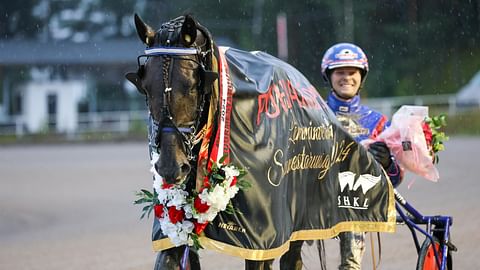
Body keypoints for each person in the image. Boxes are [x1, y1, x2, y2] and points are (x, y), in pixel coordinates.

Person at [321, 42, 403, 269]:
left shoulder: (378, 122)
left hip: (356, 201)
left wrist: (387, 162)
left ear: (361, 77)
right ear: (328, 76)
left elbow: (395, 179)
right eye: (340, 72)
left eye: (352, 72)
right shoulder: (312, 114)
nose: (346, 77)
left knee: (353, 202)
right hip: (315, 198)